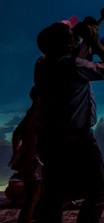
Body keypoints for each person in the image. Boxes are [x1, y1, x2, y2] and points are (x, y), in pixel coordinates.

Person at [33, 19, 104, 223]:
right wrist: (95, 42)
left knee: (54, 195)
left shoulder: (42, 62)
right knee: (98, 192)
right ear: (68, 45)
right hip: (77, 141)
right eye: (72, 36)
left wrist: (81, 39)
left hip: (49, 141)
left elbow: (73, 54)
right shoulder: (74, 66)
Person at [7, 87, 43, 223]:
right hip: (34, 159)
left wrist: (16, 154)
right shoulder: (42, 114)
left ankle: (35, 215)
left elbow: (16, 134)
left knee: (31, 195)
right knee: (33, 197)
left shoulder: (31, 113)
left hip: (25, 158)